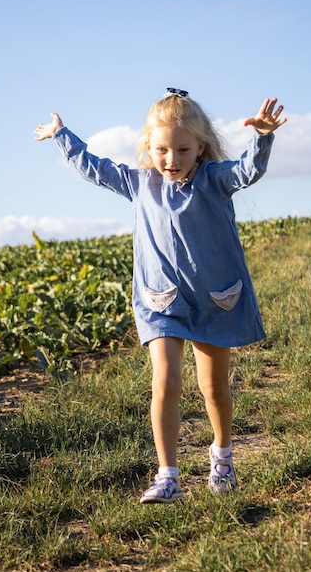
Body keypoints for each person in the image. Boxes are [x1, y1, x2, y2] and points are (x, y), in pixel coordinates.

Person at [34, 88, 287, 504]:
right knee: (165, 383)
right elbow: (94, 168)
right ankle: (167, 474)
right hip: (162, 301)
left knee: (214, 388)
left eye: (183, 150)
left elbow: (247, 171)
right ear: (148, 148)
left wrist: (261, 137)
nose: (171, 159)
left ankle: (222, 455)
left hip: (214, 297)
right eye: (161, 150)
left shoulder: (215, 179)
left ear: (200, 146)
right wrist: (63, 135)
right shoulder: (140, 184)